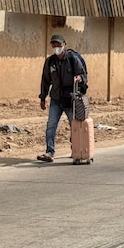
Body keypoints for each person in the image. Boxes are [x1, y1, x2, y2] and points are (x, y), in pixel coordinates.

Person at [38, 34, 86, 162]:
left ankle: (75, 150)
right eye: (54, 45)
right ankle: (49, 152)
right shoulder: (50, 62)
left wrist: (80, 79)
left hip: (71, 100)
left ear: (64, 44)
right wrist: (43, 98)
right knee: (51, 125)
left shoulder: (72, 59)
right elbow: (45, 81)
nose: (56, 47)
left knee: (74, 126)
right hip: (56, 99)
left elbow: (82, 74)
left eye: (58, 44)